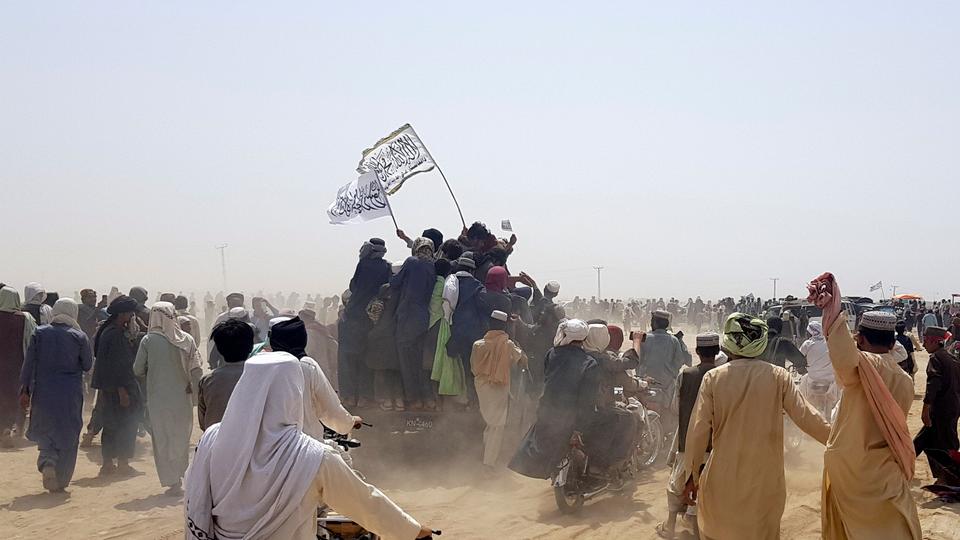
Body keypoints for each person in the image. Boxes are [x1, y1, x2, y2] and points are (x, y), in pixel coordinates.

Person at [184, 352, 433, 540]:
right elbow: (366, 504)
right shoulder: (312, 456)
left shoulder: (211, 439)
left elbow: (196, 497)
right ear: (293, 392)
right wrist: (413, 531)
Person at [682, 313, 831, 540]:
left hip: (723, 476)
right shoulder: (779, 377)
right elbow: (807, 417)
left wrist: (691, 475)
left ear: (729, 343)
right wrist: (838, 440)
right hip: (765, 481)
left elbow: (698, 431)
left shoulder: (713, 378)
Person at [808, 273, 921, 539]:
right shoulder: (905, 381)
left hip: (852, 472)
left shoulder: (861, 369)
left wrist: (832, 311)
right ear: (893, 343)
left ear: (860, 339)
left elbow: (844, 355)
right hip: (887, 474)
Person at [17, 299, 92, 492]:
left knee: (46, 430)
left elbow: (28, 364)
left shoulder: (39, 333)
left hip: (43, 392)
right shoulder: (79, 336)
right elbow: (87, 365)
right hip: (70, 394)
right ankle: (62, 479)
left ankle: (48, 462)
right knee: (68, 433)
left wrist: (24, 390)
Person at [509, 319, 600, 479]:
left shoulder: (552, 354)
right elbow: (587, 399)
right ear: (583, 339)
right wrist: (580, 427)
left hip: (548, 411)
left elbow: (547, 379)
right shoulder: (590, 363)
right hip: (573, 417)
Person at [133, 302, 202, 494]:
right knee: (180, 435)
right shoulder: (186, 339)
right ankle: (183, 472)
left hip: (158, 399)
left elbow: (138, 369)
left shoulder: (148, 340)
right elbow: (196, 369)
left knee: (162, 437)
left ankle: (172, 481)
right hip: (183, 397)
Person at [657, 332, 720, 540]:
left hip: (689, 441)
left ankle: (671, 526)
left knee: (677, 484)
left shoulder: (686, 375)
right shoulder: (724, 375)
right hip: (717, 444)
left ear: (698, 352)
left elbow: (675, 408)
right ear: (718, 351)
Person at [268, 317, 360, 439]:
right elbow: (329, 408)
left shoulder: (260, 365)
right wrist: (350, 422)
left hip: (267, 444)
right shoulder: (306, 365)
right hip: (304, 442)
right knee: (343, 458)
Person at [90, 295, 143, 475]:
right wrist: (123, 392)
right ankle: (122, 463)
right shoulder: (115, 335)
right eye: (131, 314)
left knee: (111, 423)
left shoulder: (108, 331)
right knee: (126, 424)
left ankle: (108, 463)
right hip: (120, 388)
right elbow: (118, 365)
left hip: (110, 387)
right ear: (123, 314)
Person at [471, 309, 526, 470]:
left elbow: (473, 367)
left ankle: (486, 454)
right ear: (504, 326)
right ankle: (489, 463)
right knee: (497, 425)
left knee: (491, 423)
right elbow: (522, 360)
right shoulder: (507, 344)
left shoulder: (477, 344)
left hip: (481, 386)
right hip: (499, 387)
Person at [340, 238, 390, 408]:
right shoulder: (386, 267)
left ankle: (349, 397)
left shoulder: (363, 264)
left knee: (348, 359)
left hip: (353, 317)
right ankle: (365, 397)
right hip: (371, 320)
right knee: (365, 361)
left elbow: (354, 286)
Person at [390, 237, 437, 410]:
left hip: (407, 317)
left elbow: (395, 283)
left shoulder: (411, 262)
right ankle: (428, 399)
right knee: (419, 362)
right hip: (423, 318)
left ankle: (414, 399)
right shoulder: (432, 266)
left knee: (406, 363)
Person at [914, 326, 960, 485]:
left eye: (926, 341)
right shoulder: (950, 357)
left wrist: (926, 408)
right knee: (927, 440)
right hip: (952, 407)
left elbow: (933, 383)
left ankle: (950, 477)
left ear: (934, 341)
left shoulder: (936, 358)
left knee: (945, 442)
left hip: (940, 409)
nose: (924, 344)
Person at [639, 310, 691, 434]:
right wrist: (671, 373)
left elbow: (638, 359)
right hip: (666, 384)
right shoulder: (673, 340)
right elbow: (680, 360)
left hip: (645, 382)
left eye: (652, 321)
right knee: (669, 411)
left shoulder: (645, 338)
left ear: (655, 323)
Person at [198, 318, 254, 430]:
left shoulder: (207, 380)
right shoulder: (260, 377)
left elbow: (203, 422)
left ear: (219, 348)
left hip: (215, 442)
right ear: (251, 346)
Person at [0, 286, 37, 447]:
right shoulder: (24, 318)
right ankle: (8, 427)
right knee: (12, 396)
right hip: (17, 364)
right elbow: (32, 340)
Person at [798, 321, 839, 421]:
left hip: (812, 379)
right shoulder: (830, 343)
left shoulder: (807, 344)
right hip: (830, 380)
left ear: (811, 332)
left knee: (801, 394)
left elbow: (798, 358)